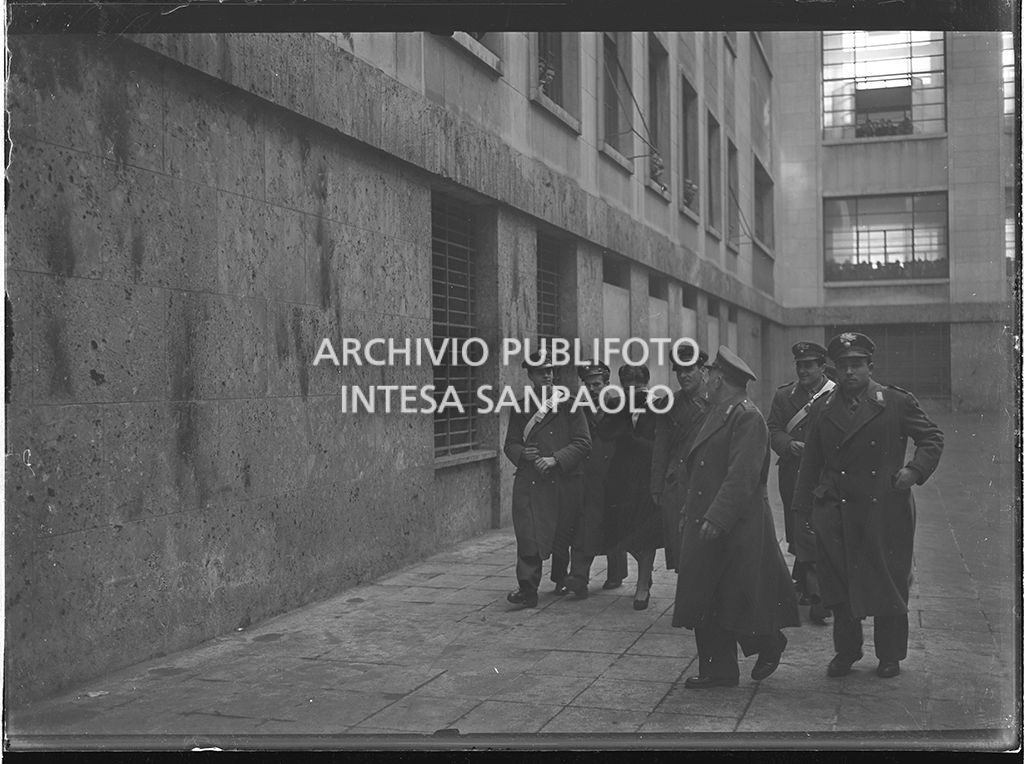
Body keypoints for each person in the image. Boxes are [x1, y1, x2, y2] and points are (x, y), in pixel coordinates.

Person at [792, 332, 943, 679]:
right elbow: (811, 462)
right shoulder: (822, 407)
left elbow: (932, 437)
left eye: (856, 364)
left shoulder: (895, 402)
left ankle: (890, 655)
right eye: (843, 365)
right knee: (839, 585)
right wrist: (803, 511)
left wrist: (913, 470)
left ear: (870, 366)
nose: (849, 372)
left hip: (884, 510)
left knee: (887, 581)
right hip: (837, 511)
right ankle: (846, 652)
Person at [672, 346, 800, 688]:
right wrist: (690, 508)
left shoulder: (746, 416)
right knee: (707, 597)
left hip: (734, 525)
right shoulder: (719, 411)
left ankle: (770, 641)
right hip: (710, 519)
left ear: (720, 379)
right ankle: (719, 671)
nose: (705, 379)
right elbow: (703, 471)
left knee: (734, 596)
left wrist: (716, 518)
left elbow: (741, 476)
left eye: (710, 374)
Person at [503, 351, 592, 609]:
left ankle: (561, 578)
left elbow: (583, 443)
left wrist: (555, 459)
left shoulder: (570, 404)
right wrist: (523, 453)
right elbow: (510, 444)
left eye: (550, 371)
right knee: (529, 535)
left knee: (562, 535)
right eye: (541, 371)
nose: (547, 376)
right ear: (530, 375)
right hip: (531, 481)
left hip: (563, 479)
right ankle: (527, 589)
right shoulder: (520, 406)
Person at [766, 341, 835, 625]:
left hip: (824, 474)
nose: (804, 370)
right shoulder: (785, 396)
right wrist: (788, 444)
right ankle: (806, 583)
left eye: (809, 365)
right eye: (800, 365)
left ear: (822, 367)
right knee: (797, 527)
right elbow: (772, 429)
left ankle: (820, 595)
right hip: (793, 473)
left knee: (818, 527)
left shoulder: (836, 393)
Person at [551, 360, 629, 599]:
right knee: (585, 524)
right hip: (587, 474)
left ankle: (616, 573)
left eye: (596, 384)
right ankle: (579, 577)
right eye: (588, 385)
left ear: (607, 384)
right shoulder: (577, 409)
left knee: (616, 521)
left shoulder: (619, 407)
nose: (592, 389)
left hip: (615, 473)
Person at [605, 363, 662, 610]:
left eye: (639, 388)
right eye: (628, 388)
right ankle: (644, 571)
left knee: (645, 534)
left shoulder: (658, 406)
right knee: (622, 532)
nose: (634, 393)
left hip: (647, 477)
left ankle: (642, 586)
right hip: (621, 477)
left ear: (647, 385)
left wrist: (633, 439)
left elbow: (661, 443)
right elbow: (604, 433)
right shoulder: (619, 407)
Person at [651, 346, 709, 573]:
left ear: (702, 370)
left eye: (689, 369)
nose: (683, 375)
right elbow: (661, 447)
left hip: (707, 482)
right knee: (681, 547)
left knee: (705, 548)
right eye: (679, 371)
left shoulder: (716, 401)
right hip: (677, 484)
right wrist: (657, 485)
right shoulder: (669, 404)